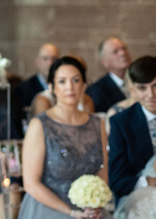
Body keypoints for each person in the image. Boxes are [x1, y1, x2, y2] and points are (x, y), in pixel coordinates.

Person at [18, 56, 110, 219]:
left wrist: (96, 204)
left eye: (76, 80)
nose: (70, 87)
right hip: (48, 208)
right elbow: (31, 184)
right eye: (62, 81)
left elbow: (102, 171)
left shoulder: (98, 124)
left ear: (84, 85)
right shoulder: (40, 125)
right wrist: (71, 213)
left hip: (88, 209)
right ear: (52, 87)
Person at [109, 56, 156, 218]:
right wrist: (148, 181)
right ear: (133, 90)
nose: (151, 94)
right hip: (139, 198)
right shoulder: (121, 123)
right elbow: (116, 181)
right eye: (142, 88)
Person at [86, 37, 132, 112]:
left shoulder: (142, 81)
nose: (123, 53)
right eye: (115, 51)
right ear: (105, 62)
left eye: (124, 48)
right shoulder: (96, 91)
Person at [15, 43, 60, 114]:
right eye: (45, 58)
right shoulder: (23, 89)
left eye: (54, 59)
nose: (50, 63)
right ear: (37, 62)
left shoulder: (65, 87)